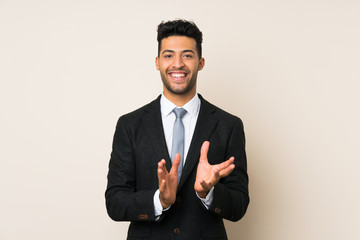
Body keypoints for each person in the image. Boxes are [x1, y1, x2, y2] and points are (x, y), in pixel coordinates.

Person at [105, 19, 249, 240]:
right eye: (169, 55)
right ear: (157, 62)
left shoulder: (228, 125)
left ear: (200, 62)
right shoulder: (130, 125)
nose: (178, 64)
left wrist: (208, 192)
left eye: (188, 55)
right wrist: (159, 200)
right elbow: (114, 202)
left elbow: (239, 205)